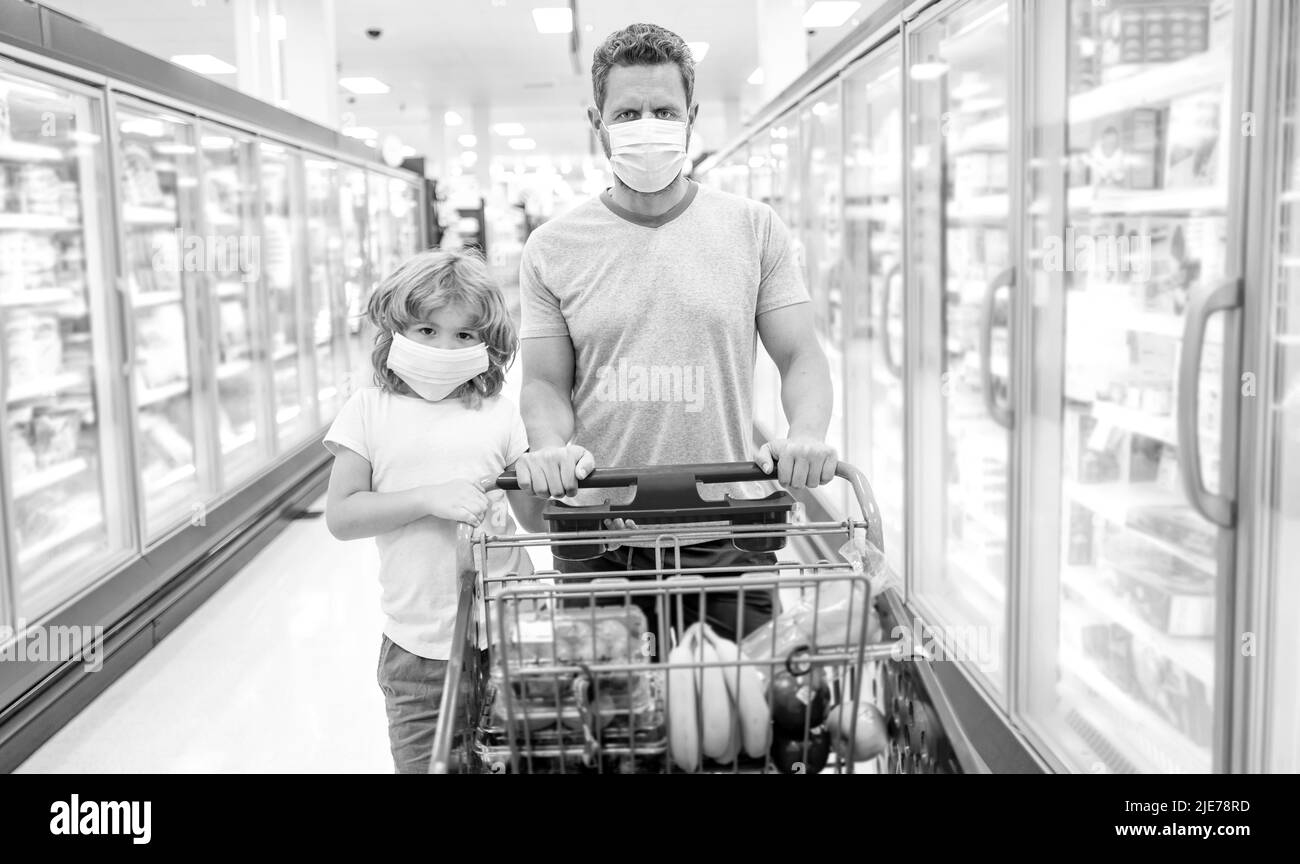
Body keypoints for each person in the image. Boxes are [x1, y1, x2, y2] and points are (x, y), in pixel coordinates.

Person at [514, 22, 837, 646]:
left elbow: (800, 355)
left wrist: (807, 434)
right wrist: (549, 446)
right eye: (627, 113)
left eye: (663, 111)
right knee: (610, 706)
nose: (647, 125)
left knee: (741, 705)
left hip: (731, 530)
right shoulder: (552, 248)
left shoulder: (753, 229)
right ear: (597, 122)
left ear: (692, 117)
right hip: (599, 535)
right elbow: (545, 384)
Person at [322, 248, 536, 773]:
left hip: (512, 633)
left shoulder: (500, 414)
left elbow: (533, 516)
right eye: (426, 330)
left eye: (464, 335)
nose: (444, 347)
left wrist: (573, 491)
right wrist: (426, 498)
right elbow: (342, 516)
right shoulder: (368, 411)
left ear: (488, 344)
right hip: (417, 650)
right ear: (395, 330)